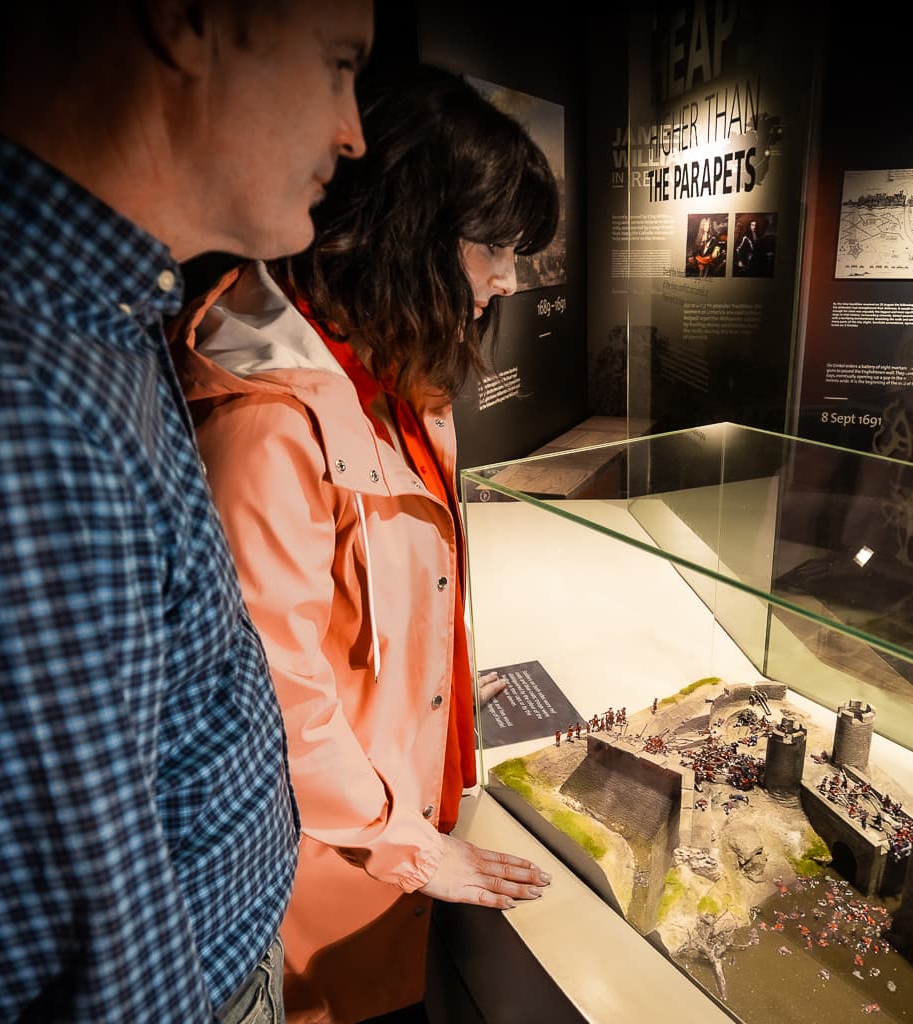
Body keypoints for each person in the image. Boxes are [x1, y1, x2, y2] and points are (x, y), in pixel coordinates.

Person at [0, 2, 372, 1021]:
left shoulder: (98, 316)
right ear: (187, 21)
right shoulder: (24, 393)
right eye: (337, 64)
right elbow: (100, 949)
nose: (353, 130)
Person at [170, 63, 559, 1023]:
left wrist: (445, 677)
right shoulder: (271, 430)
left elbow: (367, 616)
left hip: (389, 833)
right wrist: (420, 851)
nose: (510, 279)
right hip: (335, 880)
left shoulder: (395, 383)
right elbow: (279, 700)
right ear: (411, 230)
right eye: (496, 246)